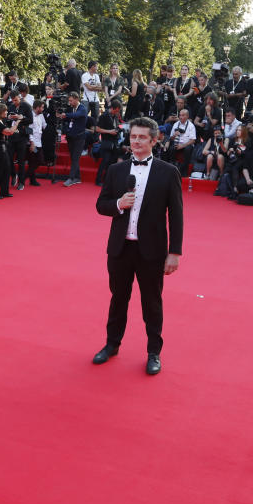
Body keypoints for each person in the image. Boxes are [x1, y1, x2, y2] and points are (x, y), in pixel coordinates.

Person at [92, 116, 182, 376]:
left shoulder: (168, 172)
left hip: (151, 251)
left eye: (142, 137)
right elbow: (101, 205)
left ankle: (154, 352)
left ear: (154, 140)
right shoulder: (116, 170)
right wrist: (119, 204)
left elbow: (176, 215)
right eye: (133, 137)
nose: (137, 141)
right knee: (118, 299)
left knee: (151, 302)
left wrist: (174, 253)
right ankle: (111, 345)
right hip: (120, 249)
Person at [6, 90, 34, 190]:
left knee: (21, 160)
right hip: (12, 135)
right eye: (13, 100)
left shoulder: (26, 106)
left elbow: (31, 120)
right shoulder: (11, 106)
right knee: (9, 158)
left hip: (22, 136)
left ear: (19, 97)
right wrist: (9, 117)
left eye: (16, 100)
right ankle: (13, 175)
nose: (14, 102)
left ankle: (21, 182)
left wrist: (20, 118)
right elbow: (6, 120)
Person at [61, 92, 88, 187]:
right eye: (69, 100)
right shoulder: (71, 108)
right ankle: (77, 177)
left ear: (77, 99)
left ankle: (71, 178)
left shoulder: (83, 109)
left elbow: (76, 115)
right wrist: (62, 116)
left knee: (75, 158)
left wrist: (66, 115)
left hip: (79, 138)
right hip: (71, 137)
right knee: (73, 158)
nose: (70, 102)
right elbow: (69, 119)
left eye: (71, 100)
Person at [95, 100, 123, 186]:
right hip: (106, 142)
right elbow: (97, 129)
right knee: (105, 161)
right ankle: (98, 180)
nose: (117, 112)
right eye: (116, 110)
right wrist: (109, 131)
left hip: (114, 142)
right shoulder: (104, 116)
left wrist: (118, 129)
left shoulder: (115, 116)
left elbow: (115, 126)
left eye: (118, 111)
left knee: (111, 162)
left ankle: (107, 180)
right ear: (112, 108)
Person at [26, 99, 47, 187]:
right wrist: (31, 142)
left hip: (39, 142)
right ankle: (31, 179)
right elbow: (28, 130)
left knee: (39, 161)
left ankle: (24, 177)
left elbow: (45, 126)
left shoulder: (41, 116)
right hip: (32, 143)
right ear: (37, 107)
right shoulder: (30, 115)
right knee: (34, 161)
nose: (43, 109)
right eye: (42, 107)